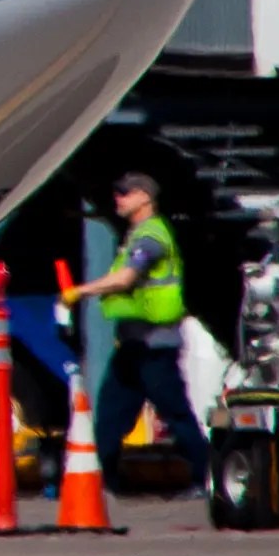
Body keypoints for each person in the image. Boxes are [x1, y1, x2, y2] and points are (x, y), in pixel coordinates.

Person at [60, 171, 210, 490]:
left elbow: (125, 279)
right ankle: (98, 482)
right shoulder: (136, 234)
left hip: (156, 346)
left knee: (176, 414)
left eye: (125, 193)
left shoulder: (151, 236)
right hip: (134, 345)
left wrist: (80, 291)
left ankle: (206, 478)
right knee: (110, 417)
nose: (118, 198)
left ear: (145, 197)